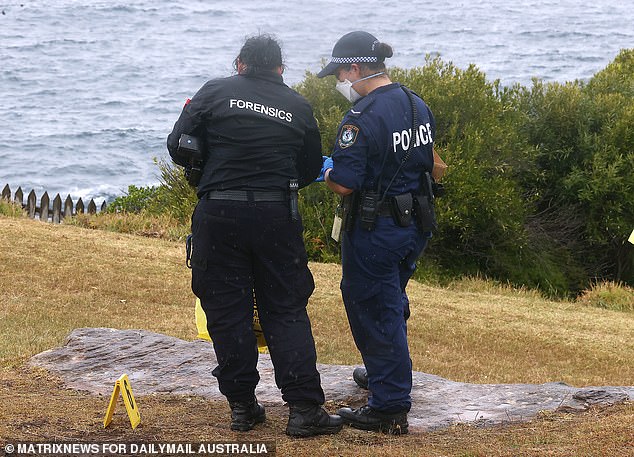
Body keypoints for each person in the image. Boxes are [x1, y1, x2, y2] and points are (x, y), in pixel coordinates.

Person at [167, 34, 342, 438]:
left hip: (219, 213)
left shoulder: (215, 91)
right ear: (280, 68)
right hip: (276, 215)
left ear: (240, 63)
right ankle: (303, 410)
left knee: (227, 311)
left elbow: (178, 145)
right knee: (285, 308)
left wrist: (214, 167)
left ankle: (243, 407)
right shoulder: (298, 104)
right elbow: (311, 165)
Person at [316, 31, 438, 435]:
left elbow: (345, 183)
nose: (339, 82)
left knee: (373, 306)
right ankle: (384, 373)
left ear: (354, 69)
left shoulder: (361, 118)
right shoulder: (416, 104)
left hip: (376, 228)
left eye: (338, 73)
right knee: (390, 299)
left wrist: (327, 171)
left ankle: (388, 407)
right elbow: (435, 165)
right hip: (415, 221)